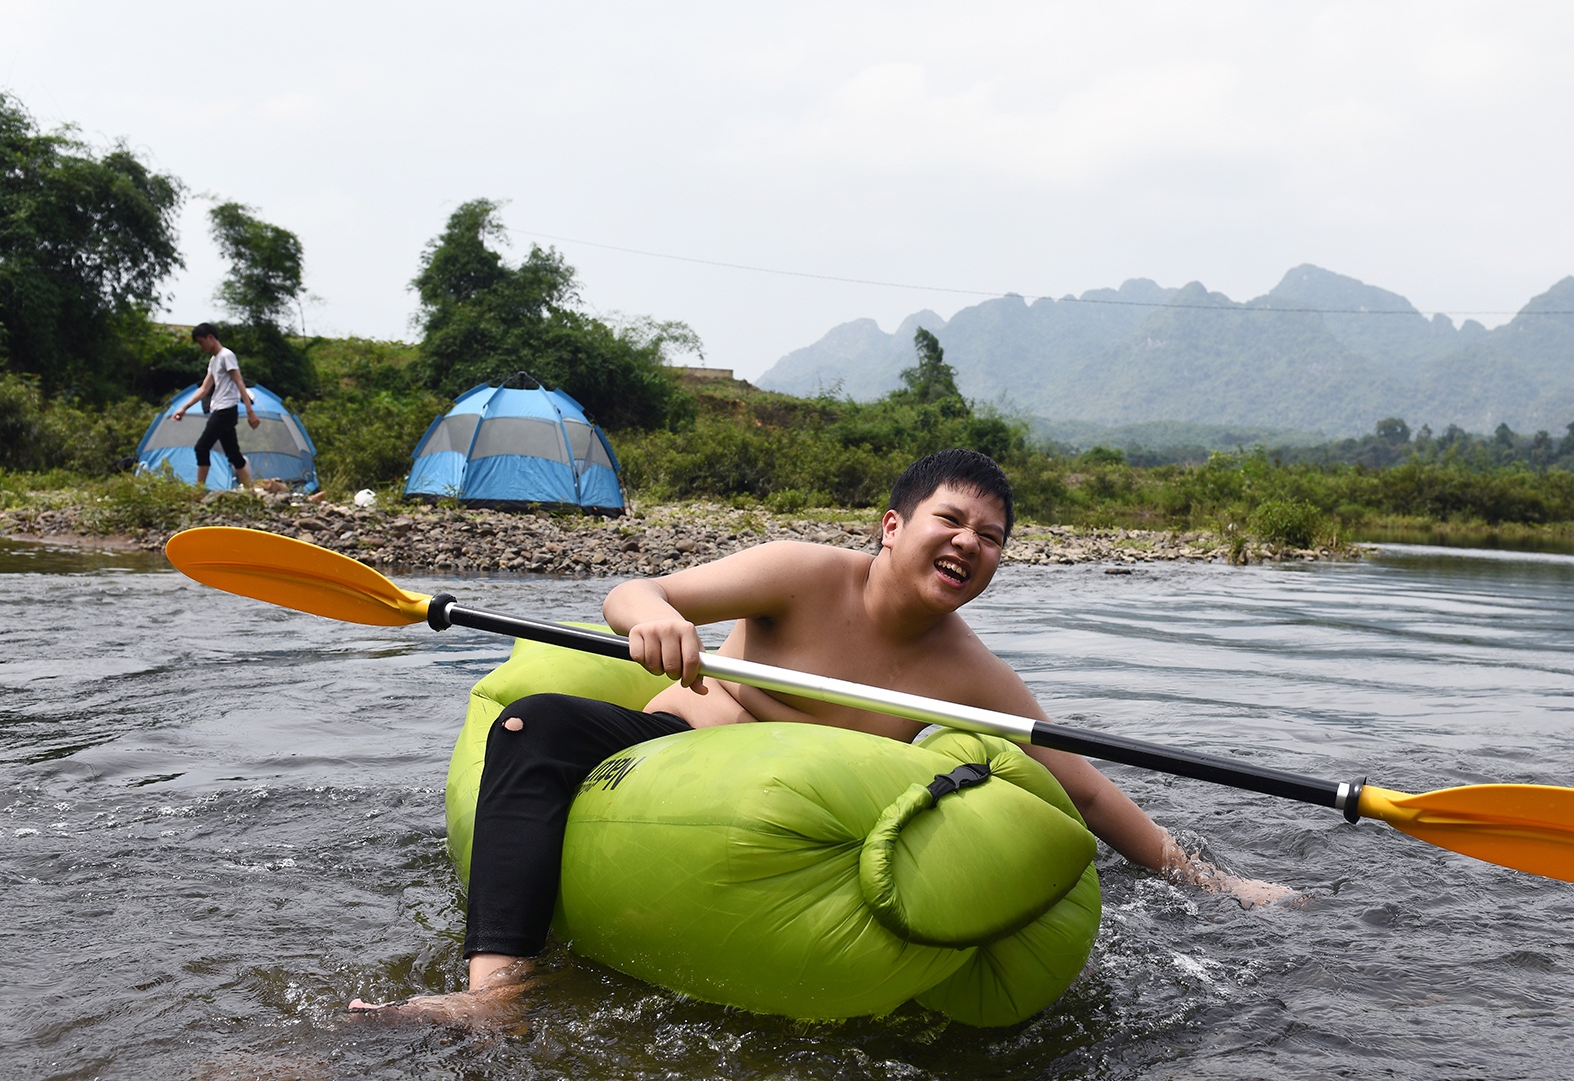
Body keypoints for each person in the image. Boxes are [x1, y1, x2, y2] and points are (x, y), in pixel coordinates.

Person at [352, 449, 1290, 1019]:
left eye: (992, 537)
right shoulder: (801, 574)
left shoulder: (973, 675)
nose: (969, 543)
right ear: (893, 526)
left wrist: (1213, 881)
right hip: (667, 750)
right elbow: (637, 591)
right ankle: (496, 997)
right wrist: (656, 619)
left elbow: (1083, 788)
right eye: (951, 519)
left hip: (792, 828)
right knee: (534, 722)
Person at [168, 324, 259, 488]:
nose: (201, 346)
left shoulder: (226, 355)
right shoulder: (214, 360)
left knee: (201, 448)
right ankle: (249, 490)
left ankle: (199, 489)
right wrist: (184, 408)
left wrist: (250, 411)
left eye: (201, 342)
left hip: (226, 410)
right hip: (219, 409)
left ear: (210, 337)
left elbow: (239, 382)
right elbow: (204, 389)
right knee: (234, 455)